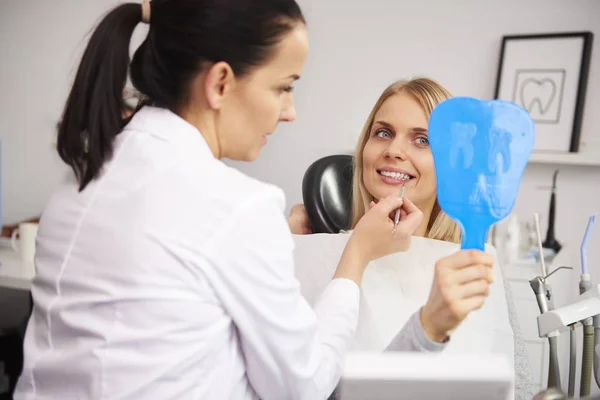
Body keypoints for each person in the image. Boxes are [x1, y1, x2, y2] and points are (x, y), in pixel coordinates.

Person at [13, 2, 425, 399]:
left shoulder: (83, 176)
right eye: (283, 88)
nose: (290, 111)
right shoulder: (237, 207)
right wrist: (355, 258)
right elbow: (304, 386)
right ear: (220, 83)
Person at [288, 77, 536, 400]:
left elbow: (520, 388)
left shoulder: (472, 266)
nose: (393, 150)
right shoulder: (316, 257)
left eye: (422, 140)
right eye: (383, 133)